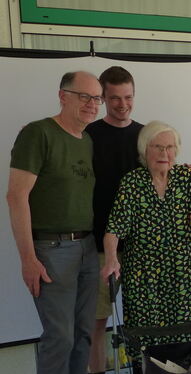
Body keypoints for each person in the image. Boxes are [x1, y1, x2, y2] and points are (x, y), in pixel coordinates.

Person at [100, 121, 191, 372]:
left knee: (187, 339)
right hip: (143, 281)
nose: (164, 154)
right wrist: (112, 258)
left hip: (183, 277)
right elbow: (113, 230)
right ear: (145, 150)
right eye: (158, 147)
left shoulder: (187, 178)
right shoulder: (132, 182)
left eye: (169, 147)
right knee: (146, 342)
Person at [7, 71, 101, 374]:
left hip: (87, 248)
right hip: (51, 249)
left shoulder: (86, 140)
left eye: (96, 98)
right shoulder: (38, 133)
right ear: (63, 95)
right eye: (84, 96)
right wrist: (28, 259)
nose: (92, 104)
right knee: (60, 337)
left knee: (82, 335)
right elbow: (16, 196)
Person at [85, 66, 143, 374]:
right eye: (115, 98)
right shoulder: (88, 135)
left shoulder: (147, 136)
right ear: (104, 97)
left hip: (141, 246)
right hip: (98, 244)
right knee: (96, 321)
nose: (123, 104)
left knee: (143, 318)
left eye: (128, 97)